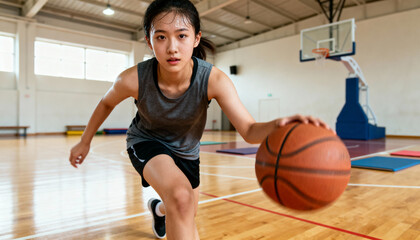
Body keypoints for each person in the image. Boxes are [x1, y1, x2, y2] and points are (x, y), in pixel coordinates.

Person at [69, 0, 332, 239]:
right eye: (161, 37)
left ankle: (159, 210)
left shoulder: (213, 80)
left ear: (196, 38)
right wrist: (84, 141)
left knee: (184, 209)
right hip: (146, 141)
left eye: (181, 36)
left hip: (187, 152)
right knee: (181, 198)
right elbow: (106, 103)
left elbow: (249, 130)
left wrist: (282, 124)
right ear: (150, 42)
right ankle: (166, 207)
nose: (172, 47)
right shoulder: (133, 78)